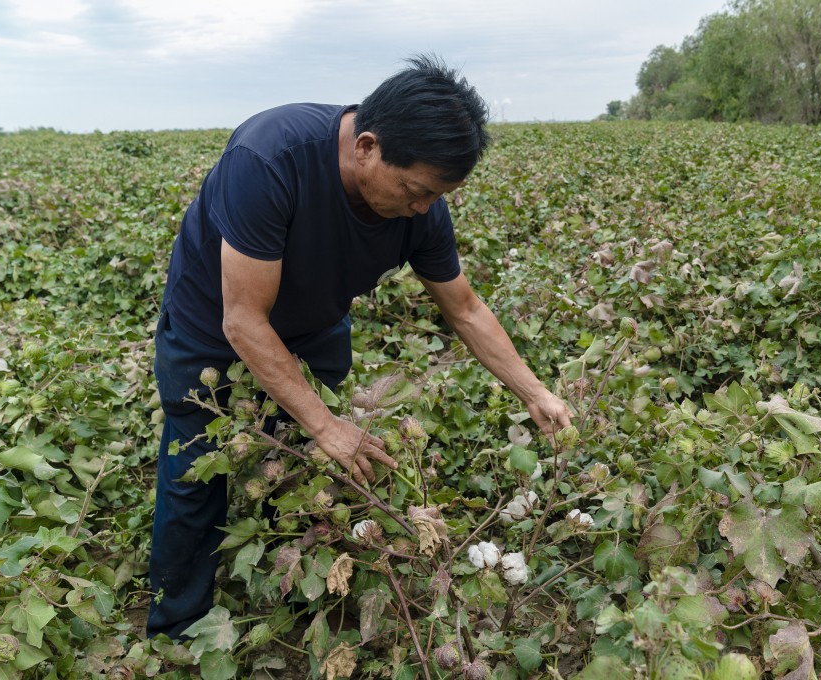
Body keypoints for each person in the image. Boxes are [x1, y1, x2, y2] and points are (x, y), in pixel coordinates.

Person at [146, 55, 572, 639]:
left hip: (312, 329)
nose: (422, 208)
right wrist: (328, 425)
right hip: (211, 328)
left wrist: (536, 393)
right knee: (196, 476)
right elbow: (243, 320)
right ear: (366, 146)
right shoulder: (270, 158)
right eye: (414, 190)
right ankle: (174, 631)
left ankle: (292, 594)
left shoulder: (421, 209)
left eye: (435, 196)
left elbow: (465, 309)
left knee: (292, 470)